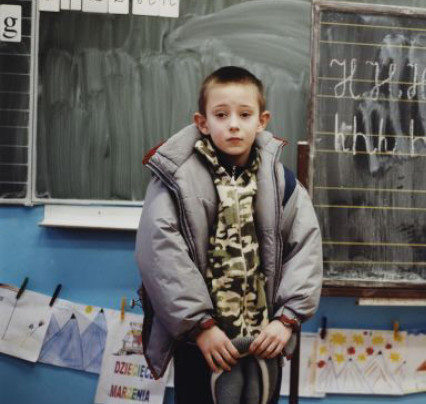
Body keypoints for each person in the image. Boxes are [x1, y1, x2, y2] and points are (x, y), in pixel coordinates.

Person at [135, 66, 323, 404]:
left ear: (261, 120)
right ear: (203, 122)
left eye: (244, 114)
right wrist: (200, 326)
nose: (233, 123)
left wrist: (286, 320)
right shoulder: (174, 182)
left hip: (265, 340)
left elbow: (305, 250)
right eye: (221, 114)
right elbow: (160, 254)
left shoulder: (285, 185)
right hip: (202, 344)